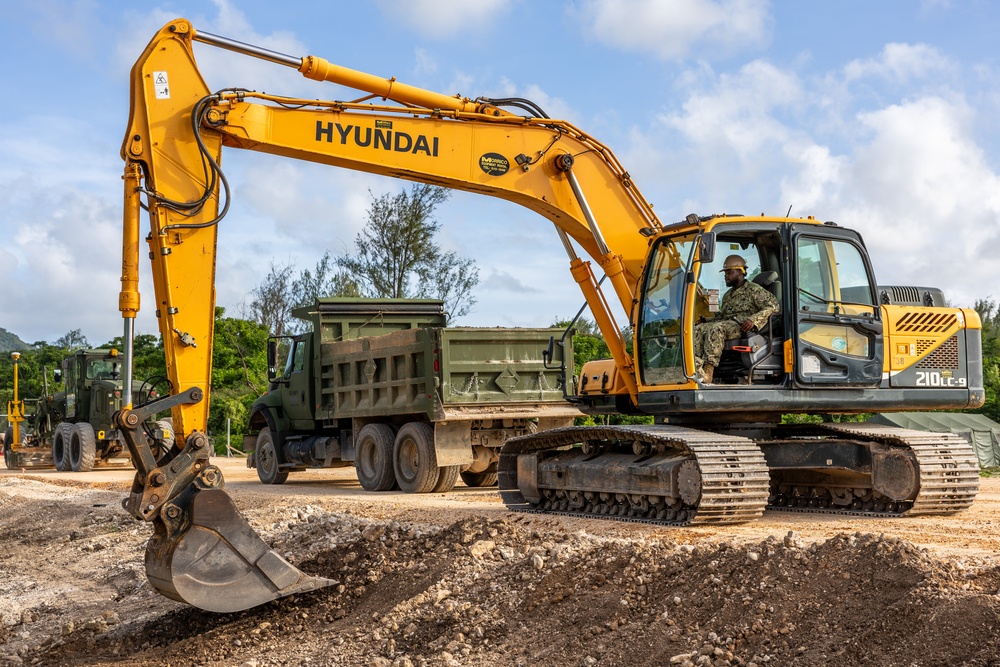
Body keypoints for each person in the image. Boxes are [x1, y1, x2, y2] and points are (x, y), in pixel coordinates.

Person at [693, 254, 779, 384]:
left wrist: (753, 320)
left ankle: (709, 371)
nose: (725, 276)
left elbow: (773, 305)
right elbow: (723, 317)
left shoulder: (753, 290)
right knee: (698, 329)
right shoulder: (728, 295)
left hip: (742, 326)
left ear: (740, 272)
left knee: (717, 329)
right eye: (725, 273)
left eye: (729, 272)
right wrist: (707, 321)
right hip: (729, 324)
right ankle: (696, 368)